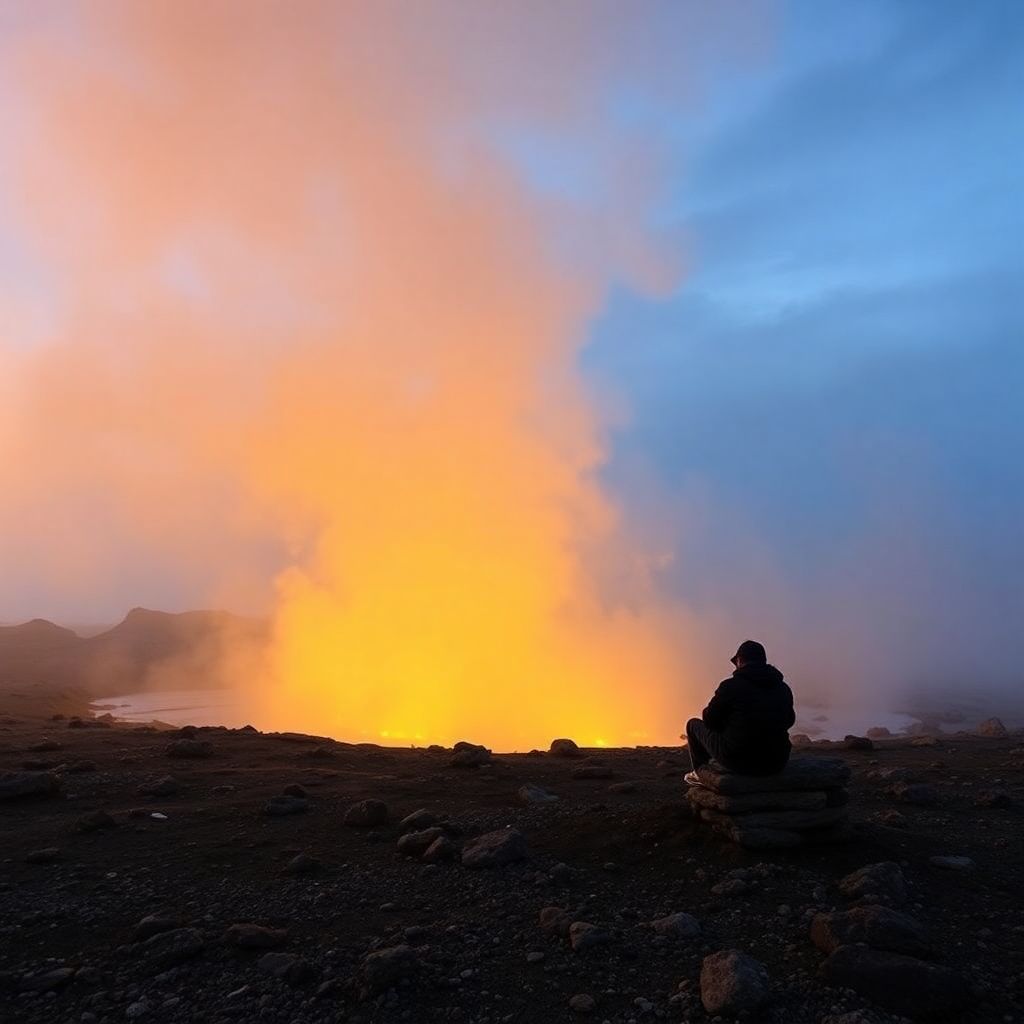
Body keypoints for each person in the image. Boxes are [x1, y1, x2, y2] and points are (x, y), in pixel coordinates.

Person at [684, 639, 795, 785]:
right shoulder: (783, 688)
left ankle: (701, 773)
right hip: (776, 762)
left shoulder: (730, 686)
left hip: (739, 761)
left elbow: (709, 721)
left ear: (740, 660)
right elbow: (789, 721)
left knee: (692, 725)